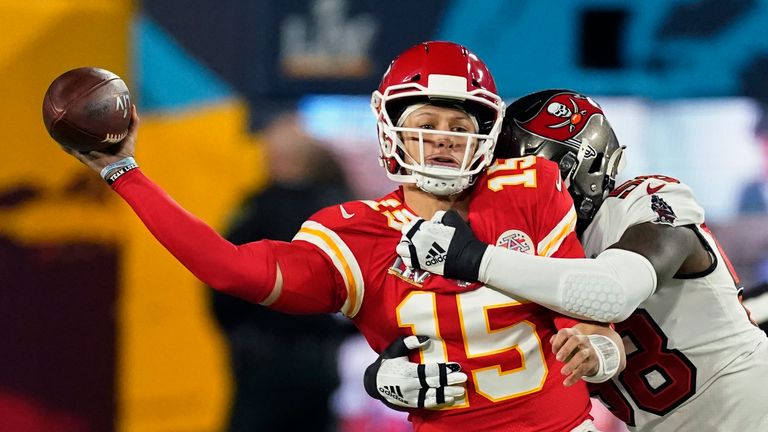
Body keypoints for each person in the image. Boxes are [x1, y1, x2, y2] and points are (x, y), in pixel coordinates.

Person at [59, 43, 624, 432]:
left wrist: (598, 350)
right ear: (392, 128)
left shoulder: (527, 189)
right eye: (427, 124)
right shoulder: (357, 235)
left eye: (460, 126)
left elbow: (584, 311)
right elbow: (230, 270)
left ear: (487, 133)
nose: (445, 139)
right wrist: (122, 171)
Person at [384, 89, 768, 431]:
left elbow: (612, 291)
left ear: (577, 169)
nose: (503, 188)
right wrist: (392, 377)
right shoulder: (525, 251)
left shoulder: (643, 203)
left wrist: (473, 258)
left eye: (518, 171)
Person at [209, 112, 352, 432]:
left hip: (264, 363)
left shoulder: (255, 212)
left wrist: (242, 334)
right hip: (322, 365)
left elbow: (222, 285)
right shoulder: (343, 213)